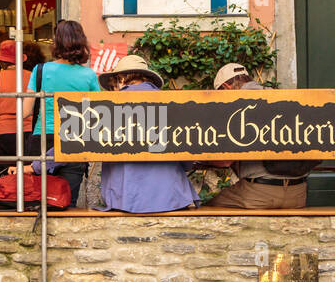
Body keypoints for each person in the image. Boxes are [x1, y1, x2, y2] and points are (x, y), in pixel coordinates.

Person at [96, 55, 199, 213]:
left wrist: (45, 162)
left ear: (121, 79)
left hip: (126, 198)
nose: (114, 91)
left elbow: (76, 142)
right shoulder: (174, 103)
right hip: (172, 196)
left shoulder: (110, 106)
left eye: (113, 86)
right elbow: (187, 160)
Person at [205, 63, 312, 210]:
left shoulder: (237, 107)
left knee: (210, 207)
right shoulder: (283, 99)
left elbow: (224, 162)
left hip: (259, 193)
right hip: (299, 193)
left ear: (226, 87)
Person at [19, 20, 100, 206]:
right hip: (74, 140)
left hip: (42, 139)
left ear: (57, 42)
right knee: (67, 202)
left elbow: (25, 112)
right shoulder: (88, 75)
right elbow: (95, 114)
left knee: (39, 200)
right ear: (81, 43)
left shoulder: (41, 70)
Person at [0, 39, 33, 162]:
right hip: (29, 131)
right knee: (27, 173)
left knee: (3, 174)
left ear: (1, 60)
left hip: (2, 133)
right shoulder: (32, 76)